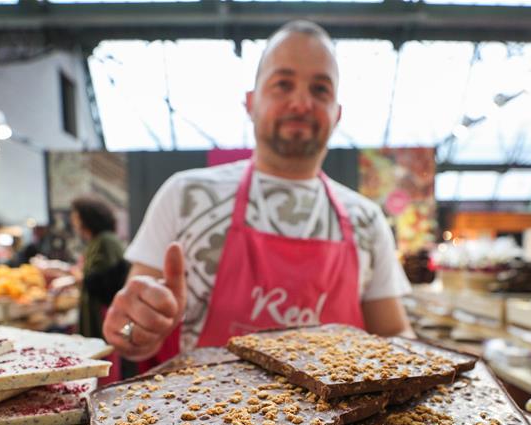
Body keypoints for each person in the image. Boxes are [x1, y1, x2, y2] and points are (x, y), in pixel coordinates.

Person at [103, 20, 412, 360]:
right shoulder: (186, 196)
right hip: (207, 412)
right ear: (250, 103)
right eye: (283, 84)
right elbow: (134, 333)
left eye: (320, 90)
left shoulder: (365, 220)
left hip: (342, 413)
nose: (301, 103)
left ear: (337, 114)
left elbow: (394, 333)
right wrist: (137, 327)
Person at [70, 196, 126, 340]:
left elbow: (101, 281)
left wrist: (77, 275)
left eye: (76, 216)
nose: (73, 221)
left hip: (103, 313)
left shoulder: (106, 240)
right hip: (97, 311)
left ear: (87, 218)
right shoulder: (97, 241)